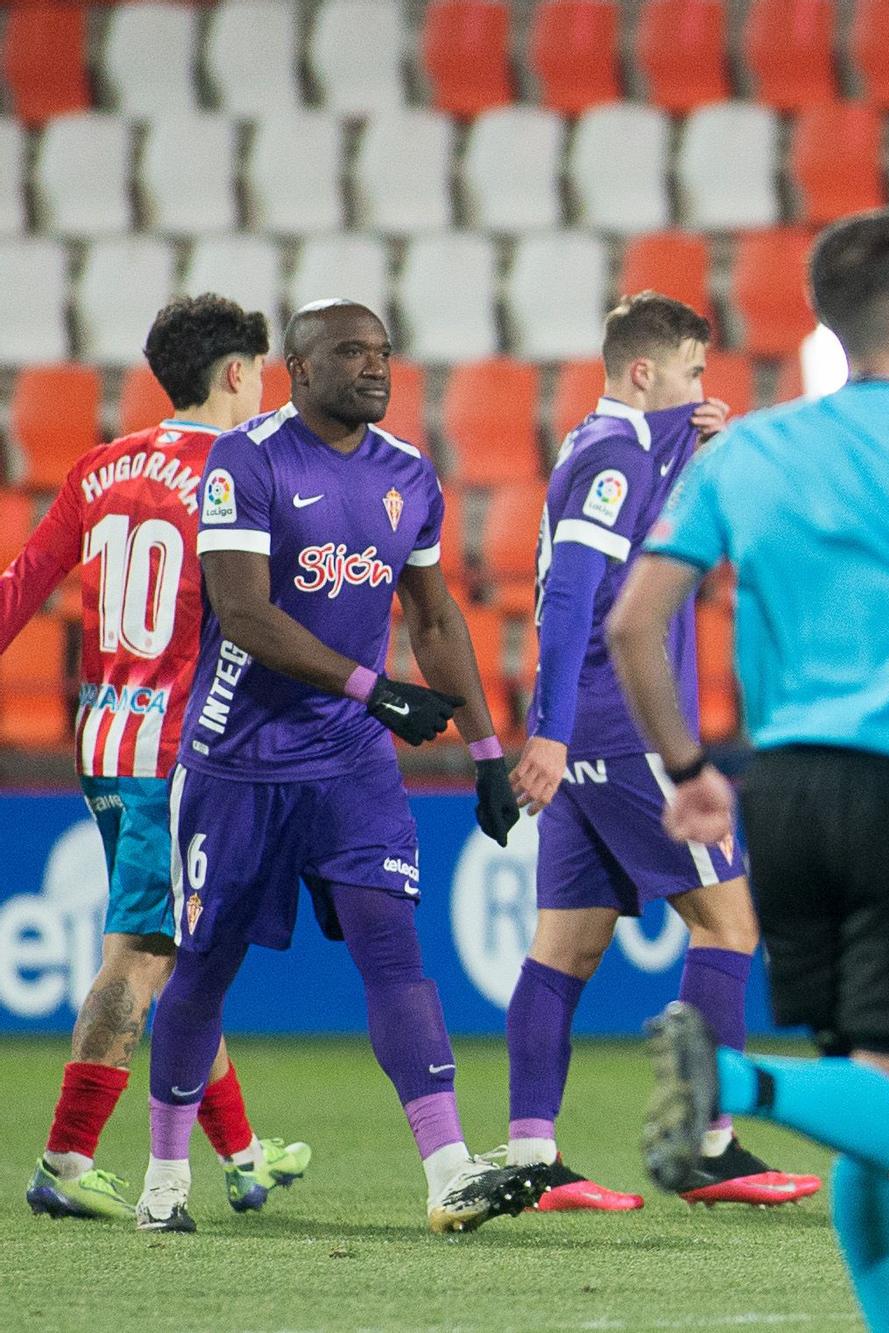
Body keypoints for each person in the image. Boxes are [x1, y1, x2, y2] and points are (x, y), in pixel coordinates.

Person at [608, 207, 889, 1332]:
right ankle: (734, 1084)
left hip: (786, 799)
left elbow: (633, 624)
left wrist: (689, 772)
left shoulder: (750, 447)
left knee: (871, 1101)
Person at [137, 300, 539, 1234]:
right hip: (239, 761)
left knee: (394, 953)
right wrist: (377, 687)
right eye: (351, 351)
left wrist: (486, 752)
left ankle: (447, 1172)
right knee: (203, 966)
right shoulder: (251, 459)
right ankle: (164, 1179)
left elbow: (435, 621)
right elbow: (243, 614)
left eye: (384, 351)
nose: (375, 366)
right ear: (299, 368)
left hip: (352, 764)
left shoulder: (408, 475)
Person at [501, 292, 818, 1210]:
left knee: (564, 947)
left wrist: (695, 439)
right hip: (621, 731)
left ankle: (531, 1154)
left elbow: (641, 518)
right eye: (690, 371)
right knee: (730, 924)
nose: (700, 388)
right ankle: (714, 1141)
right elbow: (573, 603)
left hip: (590, 735)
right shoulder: (614, 454)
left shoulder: (602, 447)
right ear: (645, 373)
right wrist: (553, 731)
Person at [1, 296, 310, 1221]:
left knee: (182, 950)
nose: (262, 389)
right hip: (181, 750)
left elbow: (21, 585)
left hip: (104, 739)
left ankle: (245, 1154)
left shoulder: (103, 466)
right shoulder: (237, 472)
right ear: (234, 376)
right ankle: (66, 1156)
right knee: (143, 955)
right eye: (259, 372)